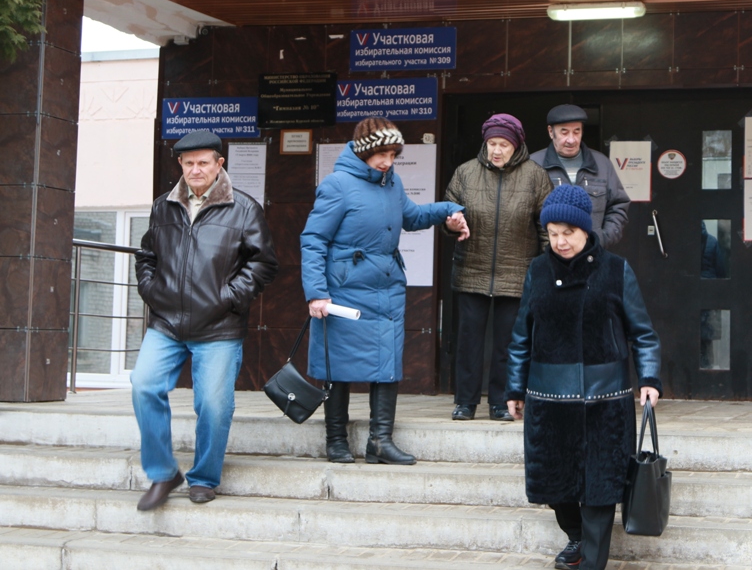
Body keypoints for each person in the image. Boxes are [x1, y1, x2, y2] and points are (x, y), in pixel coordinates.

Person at [505, 184, 662, 570]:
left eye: (568, 233)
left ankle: (592, 560)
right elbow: (521, 334)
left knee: (600, 487)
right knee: (555, 486)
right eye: (553, 234)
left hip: (604, 399)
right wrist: (514, 386)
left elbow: (642, 332)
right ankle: (575, 536)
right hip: (549, 398)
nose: (559, 242)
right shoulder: (537, 271)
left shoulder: (615, 270)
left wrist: (650, 378)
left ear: (586, 230)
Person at [301, 117, 469, 466]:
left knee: (387, 362)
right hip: (344, 288)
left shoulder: (392, 183)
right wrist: (316, 291)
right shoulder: (337, 185)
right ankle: (336, 439)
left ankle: (380, 442)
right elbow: (313, 239)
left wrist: (449, 211)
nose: (388, 161)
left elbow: (413, 217)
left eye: (393, 153)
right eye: (381, 153)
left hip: (387, 286)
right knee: (339, 365)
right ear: (364, 149)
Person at [132, 130, 278, 511]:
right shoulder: (163, 205)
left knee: (214, 405)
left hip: (218, 326)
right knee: (144, 385)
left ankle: (204, 477)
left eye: (203, 162)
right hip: (166, 323)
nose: (196, 169)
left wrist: (227, 298)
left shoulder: (244, 208)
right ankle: (163, 472)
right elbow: (146, 254)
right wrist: (151, 289)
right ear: (180, 164)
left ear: (219, 164)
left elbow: (263, 263)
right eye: (188, 162)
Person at [443, 114, 552, 422]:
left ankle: (502, 403)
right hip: (471, 271)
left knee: (507, 343)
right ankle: (465, 402)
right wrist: (451, 224)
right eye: (491, 143)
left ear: (516, 146)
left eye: (503, 144)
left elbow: (546, 227)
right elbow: (448, 215)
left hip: (517, 273)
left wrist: (546, 269)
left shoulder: (535, 176)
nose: (496, 150)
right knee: (468, 342)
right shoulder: (465, 172)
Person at [530, 104, 630, 248]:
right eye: (564, 132)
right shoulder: (533, 165)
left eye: (576, 131)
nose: (571, 139)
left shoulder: (602, 163)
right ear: (551, 132)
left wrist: (602, 239)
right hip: (549, 258)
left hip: (593, 257)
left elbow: (618, 205)